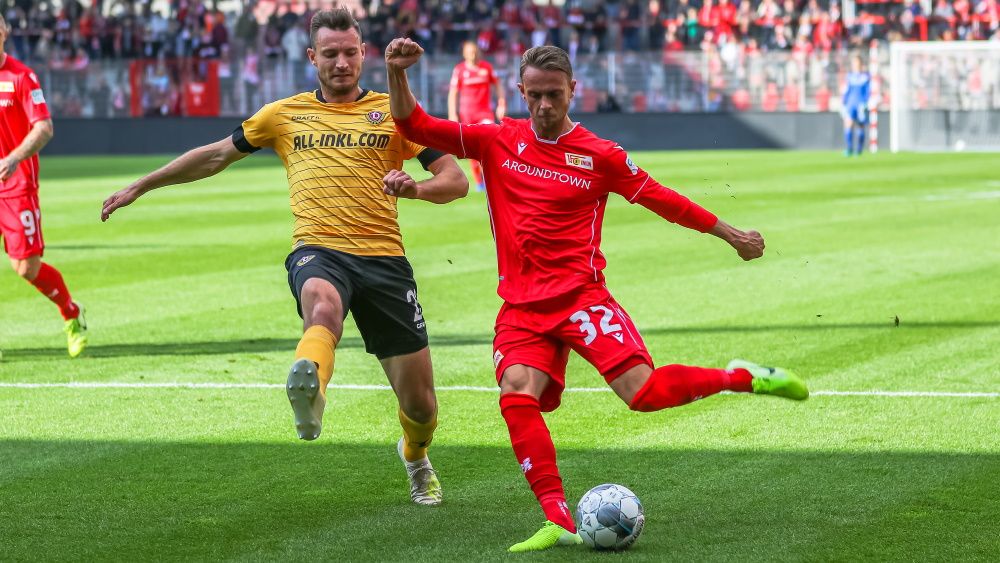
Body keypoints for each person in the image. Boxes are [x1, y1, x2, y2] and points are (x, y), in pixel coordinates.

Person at [385, 39, 809, 551]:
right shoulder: (496, 140)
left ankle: (740, 378)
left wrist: (732, 234)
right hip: (522, 306)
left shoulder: (600, 154)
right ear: (520, 91)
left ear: (573, 90)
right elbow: (415, 126)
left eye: (554, 95)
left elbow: (663, 200)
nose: (544, 106)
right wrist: (397, 73)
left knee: (643, 394)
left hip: (581, 299)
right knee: (517, 392)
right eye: (535, 95)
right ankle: (557, 519)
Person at [101, 10, 469, 506]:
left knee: (421, 407)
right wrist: (141, 185)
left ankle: (415, 456)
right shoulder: (283, 114)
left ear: (364, 54)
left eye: (350, 52)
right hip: (318, 249)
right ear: (312, 57)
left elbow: (456, 180)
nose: (341, 63)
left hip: (384, 260)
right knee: (322, 307)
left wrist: (416, 189)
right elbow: (216, 155)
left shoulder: (395, 112)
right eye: (330, 54)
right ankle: (311, 389)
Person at [0, 13, 88, 358]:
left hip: (16, 184)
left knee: (26, 268)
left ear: (5, 32)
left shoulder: (21, 77)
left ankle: (71, 312)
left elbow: (44, 127)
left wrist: (13, 158)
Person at [447, 40, 505, 192]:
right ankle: (480, 182)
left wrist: (501, 104)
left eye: (474, 51)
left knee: (490, 143)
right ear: (464, 54)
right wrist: (452, 113)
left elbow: (498, 85)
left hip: (484, 112)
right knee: (473, 148)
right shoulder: (459, 70)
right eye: (470, 52)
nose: (473, 54)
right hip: (467, 114)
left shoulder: (487, 67)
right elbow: (453, 93)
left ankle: (492, 176)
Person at [842, 54, 871, 157]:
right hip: (850, 104)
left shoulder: (865, 77)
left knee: (860, 126)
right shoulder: (849, 76)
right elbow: (846, 90)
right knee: (848, 124)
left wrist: (866, 102)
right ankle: (849, 148)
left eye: (857, 62)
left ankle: (859, 150)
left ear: (861, 64)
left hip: (861, 104)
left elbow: (868, 91)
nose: (855, 64)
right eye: (853, 62)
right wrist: (843, 102)